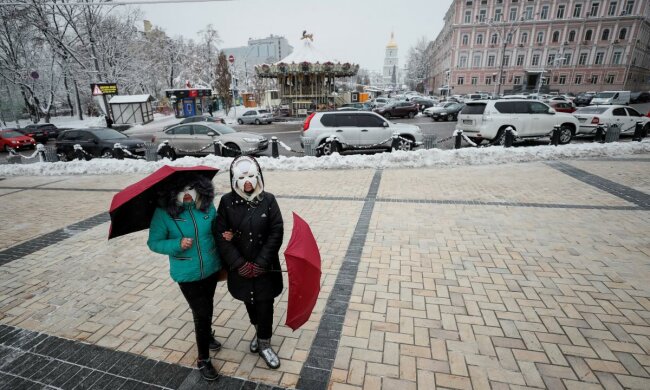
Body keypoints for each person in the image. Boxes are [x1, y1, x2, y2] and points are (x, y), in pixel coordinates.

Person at [147, 173, 231, 381]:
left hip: (211, 268)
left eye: (190, 189)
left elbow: (216, 230)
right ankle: (203, 359)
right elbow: (154, 242)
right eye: (181, 190)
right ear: (172, 193)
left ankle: (207, 334)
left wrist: (226, 234)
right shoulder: (163, 213)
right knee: (202, 312)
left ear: (199, 189)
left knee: (207, 305)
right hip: (186, 273)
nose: (186, 195)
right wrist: (176, 244)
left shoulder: (206, 207)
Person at [215, 156, 284, 369]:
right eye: (242, 177)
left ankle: (264, 343)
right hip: (241, 268)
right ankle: (257, 330)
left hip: (265, 267)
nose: (247, 181)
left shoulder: (269, 200)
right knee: (249, 301)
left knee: (265, 303)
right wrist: (238, 263)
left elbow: (276, 231)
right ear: (234, 179)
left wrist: (262, 262)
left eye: (252, 176)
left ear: (259, 177)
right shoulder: (227, 202)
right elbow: (220, 233)